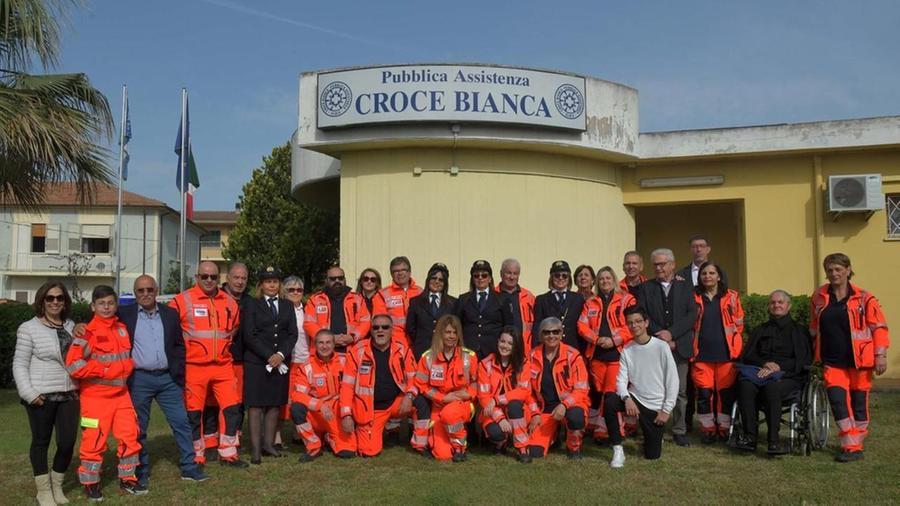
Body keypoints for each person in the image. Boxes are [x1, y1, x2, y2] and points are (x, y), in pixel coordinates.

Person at [121, 275, 208, 486]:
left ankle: (189, 467)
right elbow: (100, 319)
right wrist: (80, 326)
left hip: (168, 379)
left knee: (181, 423)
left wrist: (178, 370)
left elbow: (178, 344)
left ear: (156, 290)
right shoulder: (124, 314)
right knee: (139, 428)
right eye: (140, 290)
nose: (145, 294)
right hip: (139, 379)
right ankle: (140, 471)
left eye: (149, 289)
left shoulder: (170, 314)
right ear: (135, 293)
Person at [810, 253, 890, 462]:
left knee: (858, 404)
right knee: (837, 401)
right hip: (832, 360)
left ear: (847, 270)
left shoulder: (865, 298)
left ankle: (857, 441)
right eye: (830, 270)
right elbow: (813, 328)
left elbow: (879, 328)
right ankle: (851, 446)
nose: (834, 273)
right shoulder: (819, 297)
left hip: (860, 362)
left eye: (838, 269)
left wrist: (880, 355)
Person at [65, 285, 142, 500]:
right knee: (94, 441)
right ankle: (90, 483)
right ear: (93, 306)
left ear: (116, 305)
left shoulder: (122, 328)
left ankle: (128, 479)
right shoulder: (86, 332)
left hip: (121, 395)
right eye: (101, 303)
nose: (106, 307)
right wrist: (105, 371)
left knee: (130, 437)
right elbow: (73, 365)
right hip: (95, 398)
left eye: (110, 303)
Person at [170, 261, 247, 467]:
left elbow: (234, 328)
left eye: (213, 276)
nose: (209, 280)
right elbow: (169, 330)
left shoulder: (229, 302)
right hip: (194, 367)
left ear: (219, 278)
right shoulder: (181, 301)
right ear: (197, 278)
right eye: (205, 276)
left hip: (223, 366)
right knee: (194, 414)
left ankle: (229, 453)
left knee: (231, 409)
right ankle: (197, 455)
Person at [14, 282, 79, 505]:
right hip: (41, 396)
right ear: (42, 301)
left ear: (65, 301)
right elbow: (20, 364)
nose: (55, 302)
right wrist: (29, 393)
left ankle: (57, 484)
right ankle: (43, 491)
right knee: (41, 442)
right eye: (50, 298)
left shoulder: (71, 326)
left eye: (59, 298)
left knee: (67, 442)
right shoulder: (28, 328)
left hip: (69, 394)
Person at [735, 290, 812, 455]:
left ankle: (773, 441)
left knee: (772, 388)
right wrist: (765, 364)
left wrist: (778, 367)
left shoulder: (799, 331)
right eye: (773, 303)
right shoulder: (760, 330)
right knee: (745, 385)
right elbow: (748, 355)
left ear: (788, 306)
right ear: (769, 306)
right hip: (759, 373)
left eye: (780, 302)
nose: (776, 305)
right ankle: (749, 438)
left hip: (787, 377)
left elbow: (803, 360)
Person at [635, 248, 698, 447]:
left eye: (662, 264)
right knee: (652, 389)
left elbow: (691, 314)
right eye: (655, 264)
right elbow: (643, 314)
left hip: (678, 346)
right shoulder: (646, 288)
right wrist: (660, 335)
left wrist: (672, 335)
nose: (659, 267)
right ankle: (654, 427)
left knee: (679, 391)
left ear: (672, 264)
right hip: (654, 346)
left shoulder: (686, 286)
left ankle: (679, 430)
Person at [241, 267, 298, 464]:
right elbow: (249, 334)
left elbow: (292, 334)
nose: (272, 285)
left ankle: (268, 445)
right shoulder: (251, 304)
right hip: (257, 362)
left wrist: (281, 354)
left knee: (274, 404)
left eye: (275, 281)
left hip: (279, 362)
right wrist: (269, 355)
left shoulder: (287, 305)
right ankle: (256, 450)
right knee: (256, 406)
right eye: (267, 282)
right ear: (261, 285)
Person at [340, 314, 417, 457]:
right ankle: (362, 430)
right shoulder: (357, 351)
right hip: (372, 410)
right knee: (368, 451)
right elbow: (347, 386)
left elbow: (414, 378)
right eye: (376, 328)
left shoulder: (402, 349)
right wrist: (346, 415)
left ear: (392, 330)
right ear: (371, 330)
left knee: (420, 402)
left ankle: (421, 443)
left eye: (385, 327)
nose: (380, 331)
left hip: (398, 402)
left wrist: (409, 396)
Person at [577, 266, 637, 445]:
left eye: (608, 278)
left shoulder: (626, 300)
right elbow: (581, 325)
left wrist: (615, 340)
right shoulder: (591, 302)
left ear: (614, 280)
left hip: (618, 354)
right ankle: (598, 426)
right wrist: (595, 339)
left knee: (611, 393)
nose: (604, 281)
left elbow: (633, 325)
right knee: (601, 392)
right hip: (596, 354)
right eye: (601, 279)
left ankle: (609, 432)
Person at [614, 306, 680, 466]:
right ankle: (617, 449)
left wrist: (666, 410)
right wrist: (627, 398)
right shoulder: (627, 350)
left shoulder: (661, 347)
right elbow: (620, 381)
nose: (634, 326)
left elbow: (673, 380)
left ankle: (654, 438)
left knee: (652, 455)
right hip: (635, 399)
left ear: (646, 323)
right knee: (610, 401)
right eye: (630, 323)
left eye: (638, 321)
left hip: (655, 407)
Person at [691, 261, 744, 443]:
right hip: (701, 354)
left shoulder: (732, 297)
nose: (708, 276)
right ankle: (707, 428)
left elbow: (739, 324)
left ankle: (723, 427)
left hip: (726, 354)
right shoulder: (693, 297)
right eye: (704, 273)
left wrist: (735, 346)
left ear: (719, 276)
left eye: (712, 273)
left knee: (725, 394)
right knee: (705, 394)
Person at [411, 314, 477, 462]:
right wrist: (442, 398)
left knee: (451, 413)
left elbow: (476, 382)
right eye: (448, 332)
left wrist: (469, 394)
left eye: (455, 332)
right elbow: (421, 385)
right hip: (438, 406)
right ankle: (446, 444)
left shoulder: (469, 357)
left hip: (462, 404)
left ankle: (460, 447)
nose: (452, 336)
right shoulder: (427, 357)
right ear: (440, 333)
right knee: (443, 455)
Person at [203, 261, 252, 461]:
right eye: (236, 277)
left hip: (240, 360)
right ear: (227, 278)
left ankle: (233, 441)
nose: (239, 282)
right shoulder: (215, 298)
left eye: (244, 278)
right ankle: (210, 443)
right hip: (215, 361)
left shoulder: (250, 302)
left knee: (236, 405)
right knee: (211, 404)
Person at [525, 317, 589, 459]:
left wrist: (564, 405)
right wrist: (535, 412)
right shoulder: (532, 356)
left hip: (570, 405)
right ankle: (555, 435)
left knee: (576, 417)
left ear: (561, 334)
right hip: (544, 408)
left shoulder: (573, 356)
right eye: (547, 332)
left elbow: (581, 389)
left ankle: (573, 447)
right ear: (541, 335)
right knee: (535, 453)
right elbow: (526, 391)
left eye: (555, 332)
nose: (551, 336)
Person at [290, 330, 357, 462]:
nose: (324, 346)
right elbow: (297, 395)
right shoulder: (307, 366)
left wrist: (347, 414)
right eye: (321, 343)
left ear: (334, 345)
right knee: (296, 408)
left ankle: (329, 437)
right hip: (317, 413)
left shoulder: (345, 361)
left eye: (328, 342)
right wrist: (320, 405)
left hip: (338, 410)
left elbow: (350, 389)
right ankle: (313, 446)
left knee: (347, 453)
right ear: (315, 345)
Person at [476, 326, 533, 463]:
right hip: (491, 412)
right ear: (497, 342)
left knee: (514, 405)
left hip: (517, 411)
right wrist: (500, 418)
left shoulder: (523, 364)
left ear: (516, 346)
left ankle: (522, 448)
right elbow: (483, 396)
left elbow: (523, 392)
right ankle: (501, 443)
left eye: (510, 343)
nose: (505, 346)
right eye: (503, 341)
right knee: (496, 433)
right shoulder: (485, 364)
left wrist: (497, 399)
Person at [304, 265, 371, 352]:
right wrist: (328, 339)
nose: (337, 281)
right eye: (333, 279)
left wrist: (353, 336)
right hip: (323, 352)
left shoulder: (357, 299)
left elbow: (366, 321)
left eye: (340, 278)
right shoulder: (315, 300)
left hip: (351, 351)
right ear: (327, 280)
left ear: (345, 279)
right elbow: (309, 323)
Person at [456, 260, 513, 359]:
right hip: (468, 352)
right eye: (476, 276)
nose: (480, 278)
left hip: (493, 352)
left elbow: (509, 327)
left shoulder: (502, 299)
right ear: (473, 279)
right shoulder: (463, 299)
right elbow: (457, 325)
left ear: (490, 278)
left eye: (484, 275)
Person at [407, 263, 457, 359]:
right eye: (434, 278)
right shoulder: (415, 302)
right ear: (428, 279)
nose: (437, 282)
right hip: (422, 351)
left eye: (441, 280)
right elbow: (411, 328)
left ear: (445, 283)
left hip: (445, 351)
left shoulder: (453, 303)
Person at [531, 261, 585, 352]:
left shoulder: (578, 299)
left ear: (569, 279)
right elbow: (537, 327)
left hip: (572, 348)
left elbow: (582, 325)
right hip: (549, 348)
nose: (560, 278)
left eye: (564, 276)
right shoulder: (542, 299)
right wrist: (536, 348)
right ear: (551, 278)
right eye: (557, 275)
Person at [373, 256, 422, 344]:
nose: (400, 273)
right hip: (394, 343)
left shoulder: (420, 292)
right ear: (391, 274)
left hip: (418, 342)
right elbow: (379, 323)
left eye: (403, 270)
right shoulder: (382, 294)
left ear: (409, 272)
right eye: (396, 271)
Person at [495, 258, 536, 352]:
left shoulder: (529, 297)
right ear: (501, 273)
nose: (512, 277)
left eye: (515, 273)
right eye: (508, 273)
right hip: (501, 349)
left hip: (524, 348)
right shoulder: (493, 295)